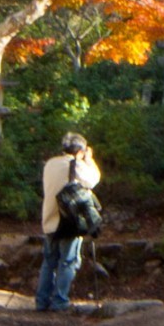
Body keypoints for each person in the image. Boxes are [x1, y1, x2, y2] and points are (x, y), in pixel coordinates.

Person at [36, 131, 102, 312]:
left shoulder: (50, 164)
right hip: (69, 221)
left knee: (49, 261)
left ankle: (41, 301)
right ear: (80, 151)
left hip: (49, 218)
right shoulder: (76, 165)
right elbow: (94, 179)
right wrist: (89, 160)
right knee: (68, 261)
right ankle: (60, 301)